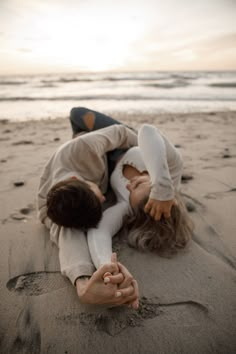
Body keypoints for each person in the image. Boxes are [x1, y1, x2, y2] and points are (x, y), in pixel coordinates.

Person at [67, 107, 193, 278]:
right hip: (127, 140)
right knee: (77, 114)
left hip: (105, 164)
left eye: (131, 191)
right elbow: (147, 132)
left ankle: (81, 137)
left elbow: (100, 231)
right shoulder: (172, 173)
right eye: (139, 184)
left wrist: (106, 266)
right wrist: (161, 187)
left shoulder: (127, 207)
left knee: (79, 137)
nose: (128, 186)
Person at [37, 109, 139, 307]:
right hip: (100, 164)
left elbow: (122, 133)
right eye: (102, 199)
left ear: (77, 180)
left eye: (96, 195)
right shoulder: (46, 204)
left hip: (104, 146)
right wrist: (82, 283)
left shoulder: (84, 148)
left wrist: (150, 160)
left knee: (77, 113)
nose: (103, 198)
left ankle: (80, 127)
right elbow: (64, 233)